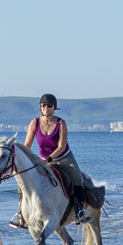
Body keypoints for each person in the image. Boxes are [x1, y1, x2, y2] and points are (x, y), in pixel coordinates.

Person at [23, 94, 91, 223]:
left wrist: (47, 160)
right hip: (42, 159)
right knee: (26, 181)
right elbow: (27, 146)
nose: (46, 108)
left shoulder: (61, 123)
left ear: (54, 107)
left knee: (78, 179)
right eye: (44, 105)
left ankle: (79, 212)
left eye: (49, 106)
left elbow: (61, 146)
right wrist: (27, 160)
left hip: (63, 157)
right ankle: (22, 214)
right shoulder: (34, 123)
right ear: (40, 107)